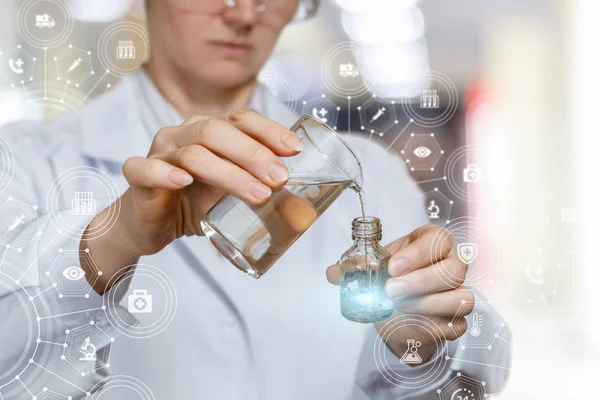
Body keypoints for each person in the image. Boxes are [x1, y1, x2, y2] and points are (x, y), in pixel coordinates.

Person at [0, 0, 511, 399]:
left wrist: (425, 342)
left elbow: (471, 382)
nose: (244, 13)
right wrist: (117, 237)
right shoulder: (28, 160)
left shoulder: (371, 174)